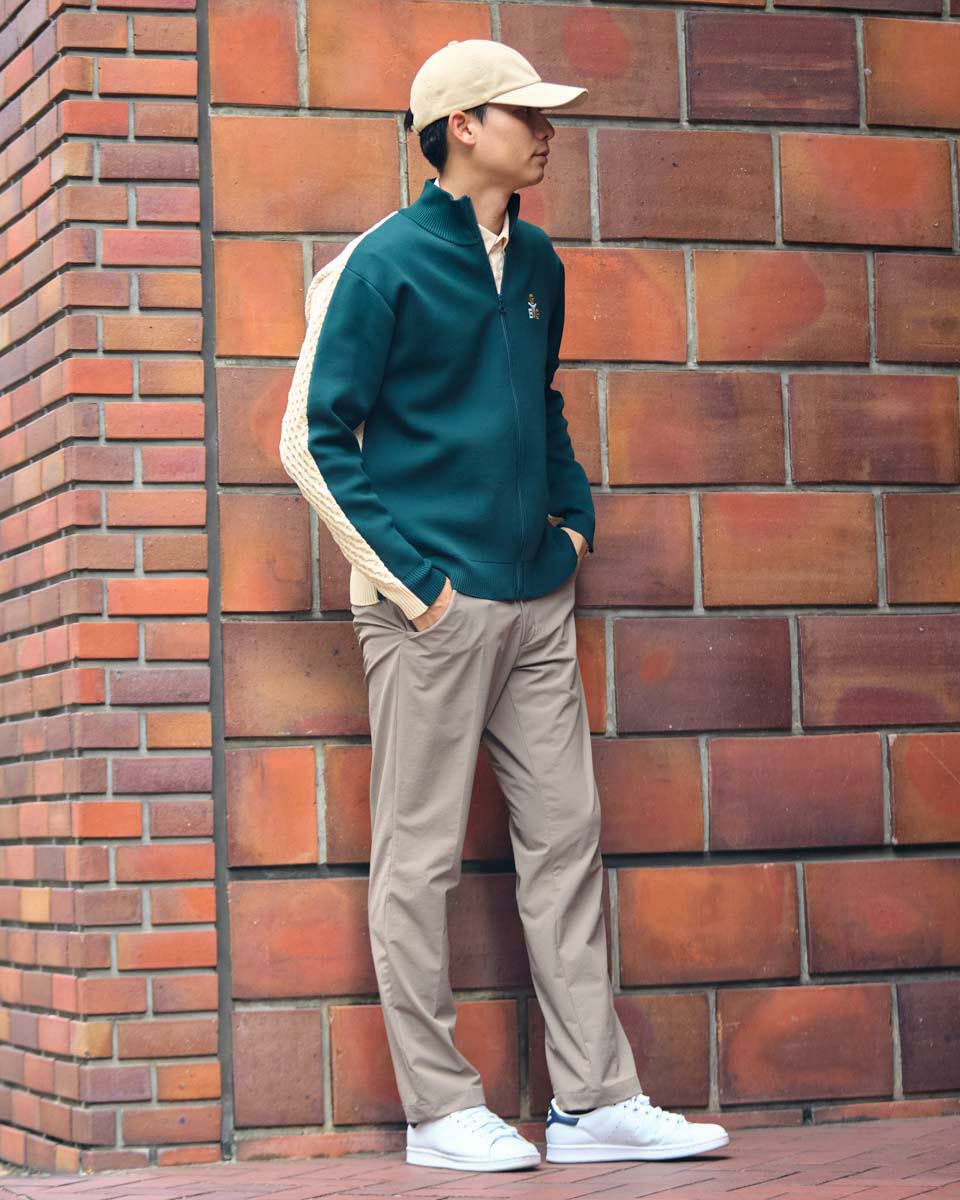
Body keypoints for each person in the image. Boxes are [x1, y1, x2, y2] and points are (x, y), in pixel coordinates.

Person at [279, 37, 730, 1174]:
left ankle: (592, 1104)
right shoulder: (378, 265)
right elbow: (309, 440)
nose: (547, 131)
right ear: (461, 127)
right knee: (418, 862)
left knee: (566, 844)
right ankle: (439, 1113)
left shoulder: (537, 262)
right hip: (429, 610)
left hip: (535, 600)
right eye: (526, 114)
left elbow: (543, 401)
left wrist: (572, 524)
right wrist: (417, 586)